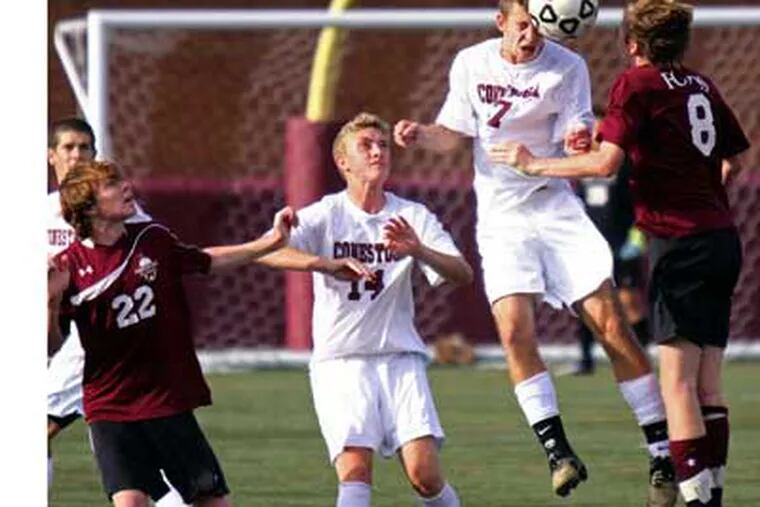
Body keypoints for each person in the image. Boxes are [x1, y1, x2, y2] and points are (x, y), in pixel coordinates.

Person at [393, 1, 676, 504]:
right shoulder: (471, 62)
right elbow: (452, 136)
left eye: (539, 28)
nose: (531, 37)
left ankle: (661, 455)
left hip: (555, 207)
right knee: (513, 331)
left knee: (611, 325)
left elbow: (576, 137)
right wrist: (420, 135)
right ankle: (558, 453)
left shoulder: (568, 65)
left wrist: (577, 138)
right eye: (523, 26)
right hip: (502, 219)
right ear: (501, 21)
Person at [493, 2, 750, 505]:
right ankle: (713, 495)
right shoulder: (701, 84)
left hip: (679, 244)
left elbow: (605, 164)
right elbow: (734, 160)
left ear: (632, 44)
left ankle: (699, 501)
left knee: (677, 386)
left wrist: (533, 164)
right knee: (709, 387)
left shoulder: (635, 84)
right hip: (722, 239)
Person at [47, 160, 300, 506]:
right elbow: (50, 345)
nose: (125, 186)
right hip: (110, 407)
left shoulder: (152, 239)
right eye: (111, 184)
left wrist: (270, 242)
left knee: (212, 501)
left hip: (164, 400)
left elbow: (206, 261)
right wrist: (50, 301)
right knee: (130, 502)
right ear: (89, 207)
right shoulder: (68, 267)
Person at [258, 112, 472, 507]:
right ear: (343, 162)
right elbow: (266, 251)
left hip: (400, 359)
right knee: (356, 471)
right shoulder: (327, 213)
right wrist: (324, 264)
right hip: (341, 362)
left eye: (384, 145)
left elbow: (462, 273)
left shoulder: (412, 216)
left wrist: (419, 250)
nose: (378, 152)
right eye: (367, 146)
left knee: (425, 477)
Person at [46, 118, 190, 506]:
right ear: (51, 156)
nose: (77, 155)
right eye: (69, 147)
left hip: (97, 342)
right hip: (58, 337)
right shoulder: (39, 213)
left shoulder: (122, 213)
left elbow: (155, 255)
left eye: (85, 147)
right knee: (132, 461)